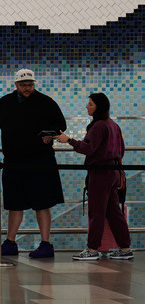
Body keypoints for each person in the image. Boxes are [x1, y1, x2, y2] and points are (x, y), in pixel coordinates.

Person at [0, 68, 66, 258]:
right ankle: (10, 243)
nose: (27, 88)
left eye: (30, 85)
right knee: (14, 203)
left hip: (40, 159)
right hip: (13, 161)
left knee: (42, 203)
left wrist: (50, 135)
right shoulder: (5, 103)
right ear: (16, 85)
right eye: (23, 85)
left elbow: (60, 124)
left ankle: (46, 244)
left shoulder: (45, 102)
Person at [56, 93, 133, 261]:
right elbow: (121, 149)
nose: (87, 106)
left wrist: (68, 140)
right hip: (113, 171)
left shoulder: (98, 126)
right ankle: (125, 248)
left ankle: (92, 249)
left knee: (96, 212)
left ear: (99, 106)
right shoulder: (113, 125)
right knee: (114, 212)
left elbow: (87, 148)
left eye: (90, 104)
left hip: (100, 173)